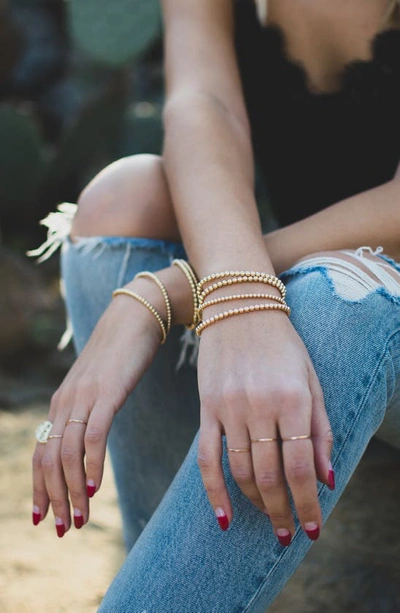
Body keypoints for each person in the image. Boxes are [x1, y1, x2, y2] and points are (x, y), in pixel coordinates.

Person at [30, 0, 400, 610]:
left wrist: (178, 289)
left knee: (340, 295)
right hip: (325, 282)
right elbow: (203, 105)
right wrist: (234, 290)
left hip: (361, 304)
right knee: (125, 199)